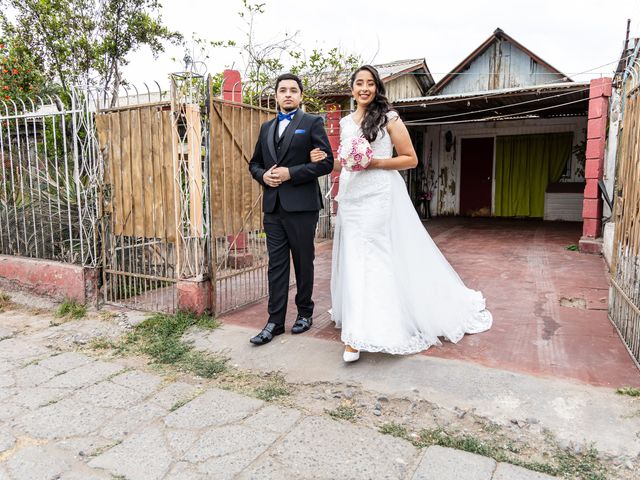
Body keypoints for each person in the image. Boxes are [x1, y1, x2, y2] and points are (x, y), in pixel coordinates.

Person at [310, 65, 492, 362]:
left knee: (376, 256)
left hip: (379, 193)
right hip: (353, 198)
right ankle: (358, 318)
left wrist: (375, 163)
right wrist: (325, 160)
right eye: (359, 83)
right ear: (352, 88)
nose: (364, 88)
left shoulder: (389, 117)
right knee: (354, 257)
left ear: (377, 88)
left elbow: (410, 159)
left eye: (370, 83)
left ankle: (367, 332)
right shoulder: (345, 122)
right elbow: (344, 164)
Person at [248, 73, 334, 346]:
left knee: (302, 261)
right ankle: (274, 322)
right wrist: (264, 176)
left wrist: (290, 173)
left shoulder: (311, 123)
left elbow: (326, 163)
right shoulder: (266, 127)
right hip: (273, 207)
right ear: (276, 96)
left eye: (293, 90)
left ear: (300, 96)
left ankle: (305, 313)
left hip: (301, 206)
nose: (288, 94)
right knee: (276, 265)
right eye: (282, 90)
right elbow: (254, 163)